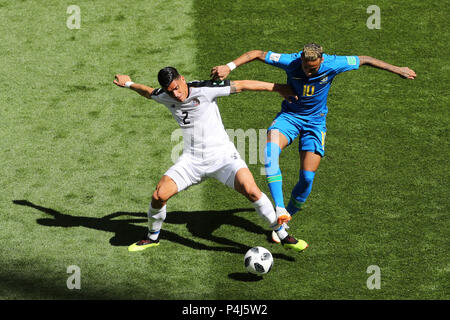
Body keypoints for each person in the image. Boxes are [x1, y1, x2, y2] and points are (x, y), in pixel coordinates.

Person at [210, 43, 416, 243]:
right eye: (306, 68)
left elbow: (365, 59)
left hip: (316, 123)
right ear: (300, 59)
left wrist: (399, 69)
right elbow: (257, 53)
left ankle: (288, 214)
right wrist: (229, 67)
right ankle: (279, 210)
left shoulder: (334, 64)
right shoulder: (290, 61)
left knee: (307, 178)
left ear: (322, 61)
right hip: (289, 117)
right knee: (269, 155)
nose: (309, 73)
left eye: (314, 69)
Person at [113, 67, 308, 252]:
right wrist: (129, 83)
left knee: (252, 191)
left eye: (176, 88)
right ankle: (152, 237)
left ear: (182, 79)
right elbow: (148, 92)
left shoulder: (204, 89)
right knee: (159, 195)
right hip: (192, 161)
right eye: (169, 91)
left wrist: (278, 88)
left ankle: (282, 235)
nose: (176, 95)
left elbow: (242, 85)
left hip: (224, 158)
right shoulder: (165, 96)